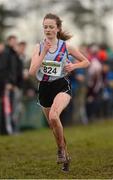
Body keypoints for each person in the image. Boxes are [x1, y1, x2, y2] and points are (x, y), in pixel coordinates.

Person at [29, 13, 90, 171]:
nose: (48, 29)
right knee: (53, 125)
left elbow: (86, 61)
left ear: (58, 29)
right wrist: (43, 53)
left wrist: (73, 66)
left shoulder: (66, 46)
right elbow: (31, 72)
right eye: (45, 27)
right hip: (44, 88)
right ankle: (65, 154)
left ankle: (61, 151)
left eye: (51, 27)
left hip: (61, 85)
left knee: (54, 116)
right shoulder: (38, 47)